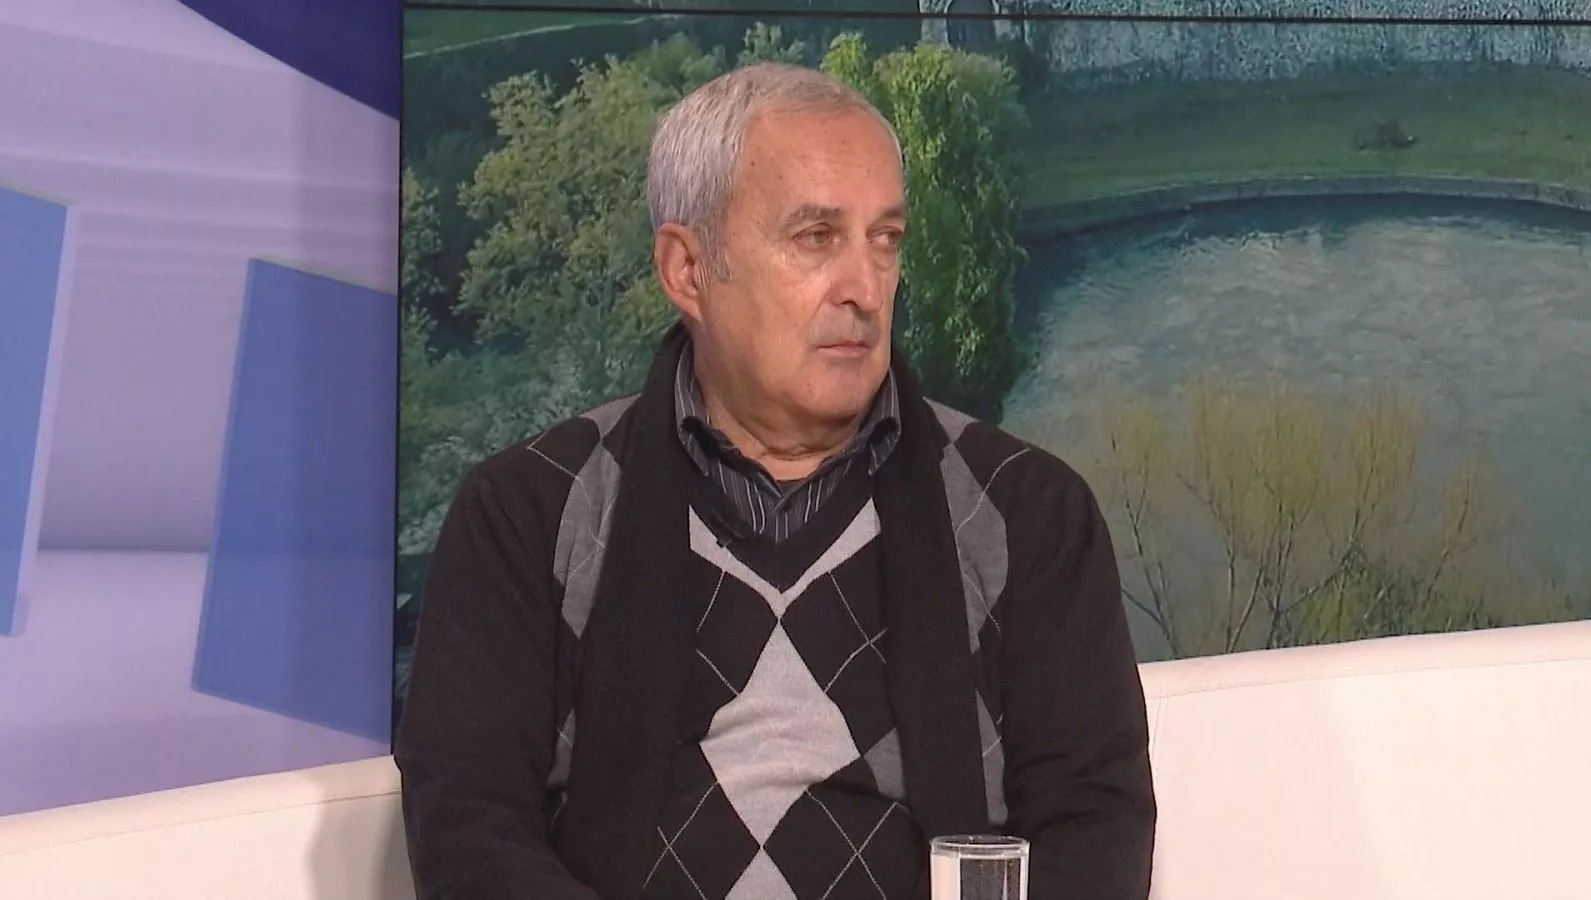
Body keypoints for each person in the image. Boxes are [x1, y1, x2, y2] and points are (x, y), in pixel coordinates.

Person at [394, 61, 1156, 900]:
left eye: (885, 240)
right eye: (816, 238)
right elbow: (468, 835)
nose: (864, 289)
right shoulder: (527, 515)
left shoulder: (1028, 512)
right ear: (689, 271)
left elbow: (1094, 825)